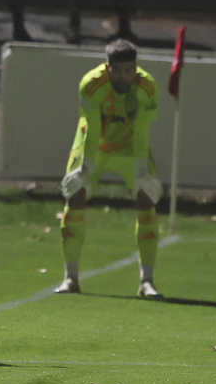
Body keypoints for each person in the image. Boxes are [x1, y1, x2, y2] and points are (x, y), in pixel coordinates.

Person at [56, 38, 164, 298]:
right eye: (119, 71)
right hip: (95, 147)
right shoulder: (91, 85)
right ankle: (70, 278)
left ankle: (147, 282)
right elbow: (92, 128)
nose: (125, 77)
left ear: (136, 67)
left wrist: (141, 171)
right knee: (76, 197)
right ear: (108, 68)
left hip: (130, 148)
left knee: (145, 200)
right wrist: (85, 169)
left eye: (130, 71)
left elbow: (141, 130)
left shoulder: (147, 87)